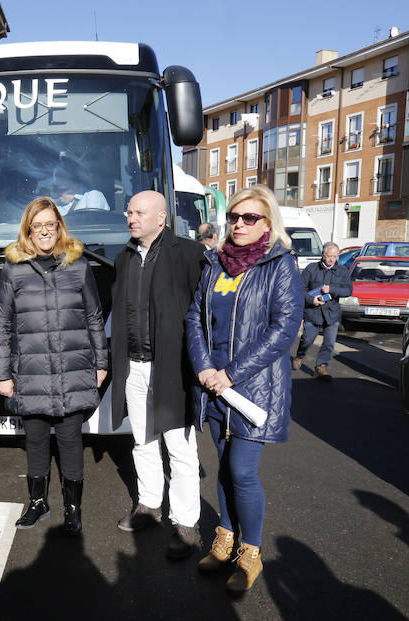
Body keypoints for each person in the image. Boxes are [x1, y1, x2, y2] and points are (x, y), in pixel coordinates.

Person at [184, 184, 303, 593]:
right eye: (234, 216)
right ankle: (225, 537)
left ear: (267, 222)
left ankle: (250, 554)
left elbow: (283, 330)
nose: (239, 224)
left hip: (254, 389)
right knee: (222, 466)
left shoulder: (280, 266)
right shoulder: (215, 263)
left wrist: (230, 373)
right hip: (213, 387)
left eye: (249, 217)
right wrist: (203, 367)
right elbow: (194, 319)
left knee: (241, 470)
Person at [0, 197, 108, 536]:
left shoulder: (79, 265)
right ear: (28, 230)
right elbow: (2, 322)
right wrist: (2, 373)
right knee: (36, 439)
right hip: (29, 371)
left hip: (73, 368)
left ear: (59, 226)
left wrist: (101, 363)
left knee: (71, 439)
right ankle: (38, 502)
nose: (44, 231)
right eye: (37, 225)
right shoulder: (13, 269)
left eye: (50, 224)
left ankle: (73, 508)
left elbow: (93, 317)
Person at [111, 190, 206, 560]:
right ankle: (149, 504)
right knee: (142, 440)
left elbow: (201, 314)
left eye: (138, 212)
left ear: (161, 218)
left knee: (180, 449)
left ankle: (185, 523)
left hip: (171, 367)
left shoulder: (188, 254)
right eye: (129, 212)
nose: (130, 218)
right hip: (134, 366)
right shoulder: (124, 258)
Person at [293, 242, 352, 380]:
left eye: (335, 256)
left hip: (332, 313)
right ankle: (300, 355)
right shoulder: (311, 269)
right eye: (329, 256)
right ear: (323, 255)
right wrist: (311, 300)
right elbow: (300, 289)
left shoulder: (342, 271)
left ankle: (321, 367)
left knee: (329, 343)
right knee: (307, 339)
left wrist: (332, 289)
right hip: (313, 312)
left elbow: (348, 290)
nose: (332, 259)